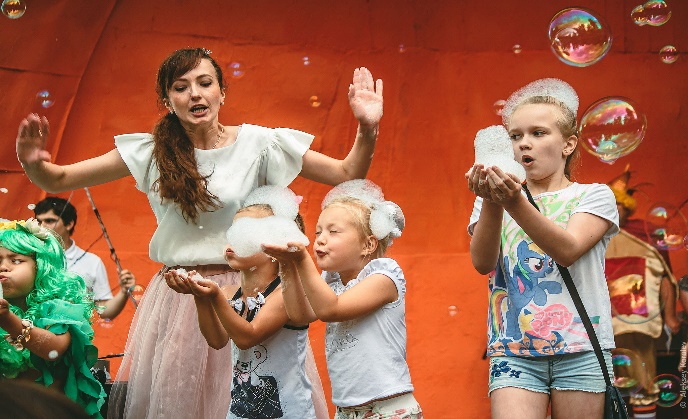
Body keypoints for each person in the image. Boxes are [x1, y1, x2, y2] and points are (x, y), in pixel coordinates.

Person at [15, 47, 383, 418]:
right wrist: (32, 164)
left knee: (251, 400)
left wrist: (367, 128)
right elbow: (57, 178)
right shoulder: (150, 151)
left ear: (222, 93)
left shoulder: (260, 144)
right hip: (181, 296)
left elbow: (346, 173)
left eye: (205, 83)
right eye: (180, 87)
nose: (195, 93)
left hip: (248, 292)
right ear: (167, 100)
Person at [466, 78, 619, 418]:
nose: (524, 143)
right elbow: (482, 262)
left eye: (538, 133)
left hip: (581, 348)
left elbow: (567, 249)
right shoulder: (494, 200)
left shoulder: (594, 195)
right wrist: (491, 200)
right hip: (512, 350)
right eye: (515, 136)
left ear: (568, 144)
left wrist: (512, 201)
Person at [263, 179, 423, 419]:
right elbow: (300, 315)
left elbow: (332, 310)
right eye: (318, 232)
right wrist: (287, 265)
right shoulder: (332, 282)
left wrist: (302, 259)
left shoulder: (384, 276)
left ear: (368, 244)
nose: (320, 239)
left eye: (333, 231)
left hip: (389, 409)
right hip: (346, 411)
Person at [166, 185, 325, 418]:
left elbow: (247, 338)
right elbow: (216, 340)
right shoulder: (229, 292)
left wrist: (215, 297)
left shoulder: (284, 294)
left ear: (273, 250)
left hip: (287, 412)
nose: (233, 240)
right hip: (240, 410)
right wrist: (201, 297)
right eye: (233, 231)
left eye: (245, 234)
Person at [0, 218, 107, 418]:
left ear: (41, 266)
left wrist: (8, 320)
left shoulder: (58, 306)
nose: (3, 267)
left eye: (16, 260)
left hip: (52, 412)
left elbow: (54, 349)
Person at [604, 166, 680, 417]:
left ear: (627, 208)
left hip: (640, 325)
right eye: (610, 204)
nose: (614, 210)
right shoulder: (592, 236)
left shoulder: (646, 235)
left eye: (619, 205)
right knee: (609, 387)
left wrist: (670, 317)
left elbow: (665, 278)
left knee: (643, 383)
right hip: (603, 327)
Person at [33, 196, 137, 320]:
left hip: (75, 331)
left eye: (49, 221)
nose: (42, 226)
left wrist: (124, 292)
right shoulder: (28, 255)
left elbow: (104, 312)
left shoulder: (92, 262)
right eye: (38, 221)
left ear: (69, 224)